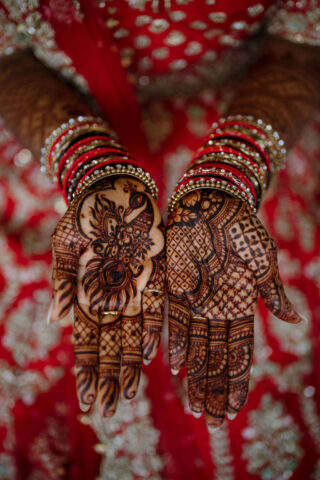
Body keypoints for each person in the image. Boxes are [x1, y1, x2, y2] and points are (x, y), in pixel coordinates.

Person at [0, 1, 319, 479]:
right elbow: (7, 58)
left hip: (253, 124)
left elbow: (301, 43)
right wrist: (89, 168)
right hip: (50, 138)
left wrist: (229, 177)